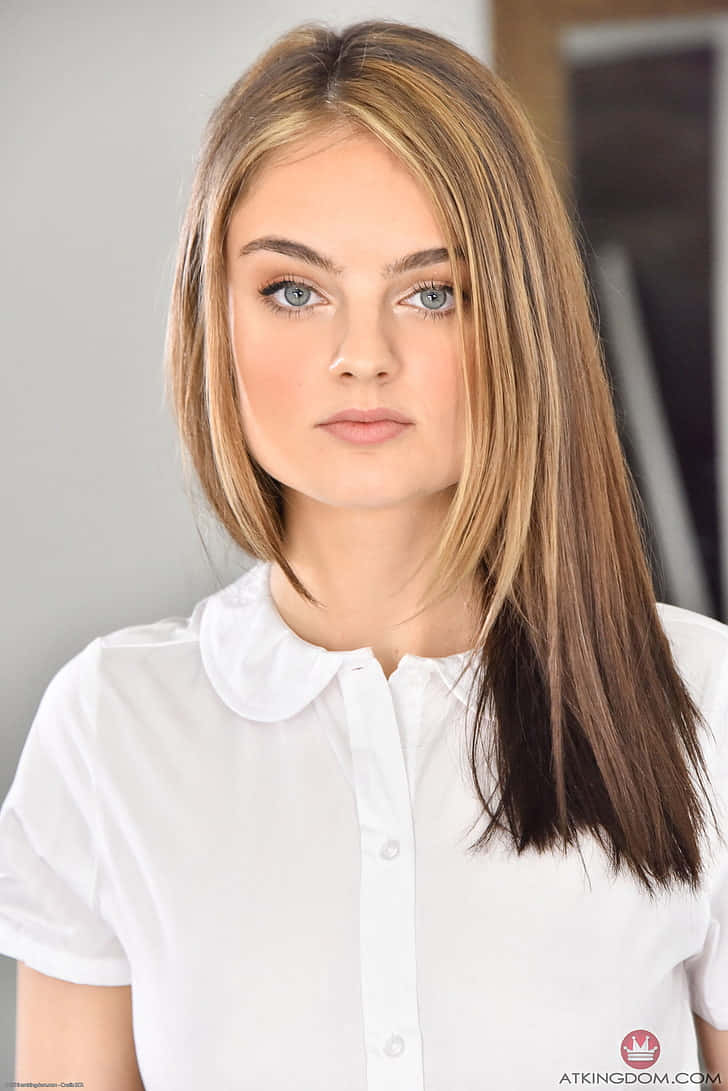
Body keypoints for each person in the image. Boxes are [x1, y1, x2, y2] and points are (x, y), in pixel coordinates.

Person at [1, 17, 727, 1089]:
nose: (360, 356)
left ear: (517, 319)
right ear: (214, 317)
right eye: (293, 290)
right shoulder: (110, 729)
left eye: (431, 291)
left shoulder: (700, 700)